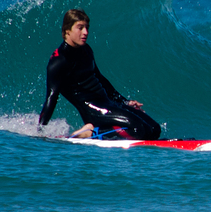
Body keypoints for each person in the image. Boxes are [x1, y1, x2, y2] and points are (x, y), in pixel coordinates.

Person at [37, 8, 163, 140]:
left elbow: (100, 79)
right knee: (138, 130)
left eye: (87, 27)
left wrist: (125, 102)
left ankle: (100, 131)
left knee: (154, 129)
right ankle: (91, 132)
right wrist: (40, 131)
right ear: (67, 30)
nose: (85, 32)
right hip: (93, 111)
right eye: (80, 28)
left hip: (107, 103)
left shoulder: (86, 50)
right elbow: (51, 97)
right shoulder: (58, 62)